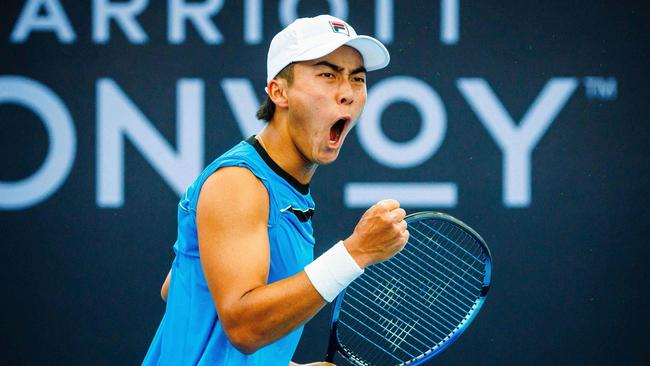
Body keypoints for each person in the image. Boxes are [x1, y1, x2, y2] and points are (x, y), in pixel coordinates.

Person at [142, 14, 409, 365]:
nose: (347, 93)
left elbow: (180, 288)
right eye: (327, 75)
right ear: (278, 91)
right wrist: (356, 252)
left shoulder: (285, 190)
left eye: (357, 79)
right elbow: (244, 328)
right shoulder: (238, 184)